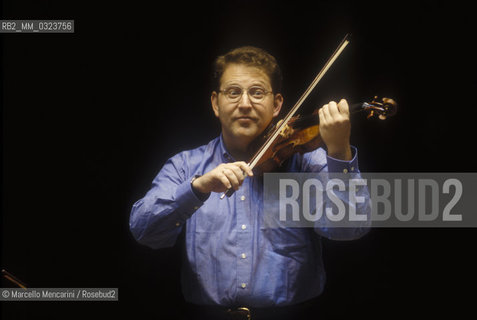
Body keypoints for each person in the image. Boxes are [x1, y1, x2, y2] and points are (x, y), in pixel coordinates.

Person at [129, 46, 370, 320]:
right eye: (233, 92)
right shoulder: (185, 166)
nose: (245, 103)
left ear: (277, 104)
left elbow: (351, 228)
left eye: (257, 92)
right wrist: (197, 188)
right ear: (215, 103)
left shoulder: (305, 162)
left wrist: (339, 151)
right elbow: (143, 229)